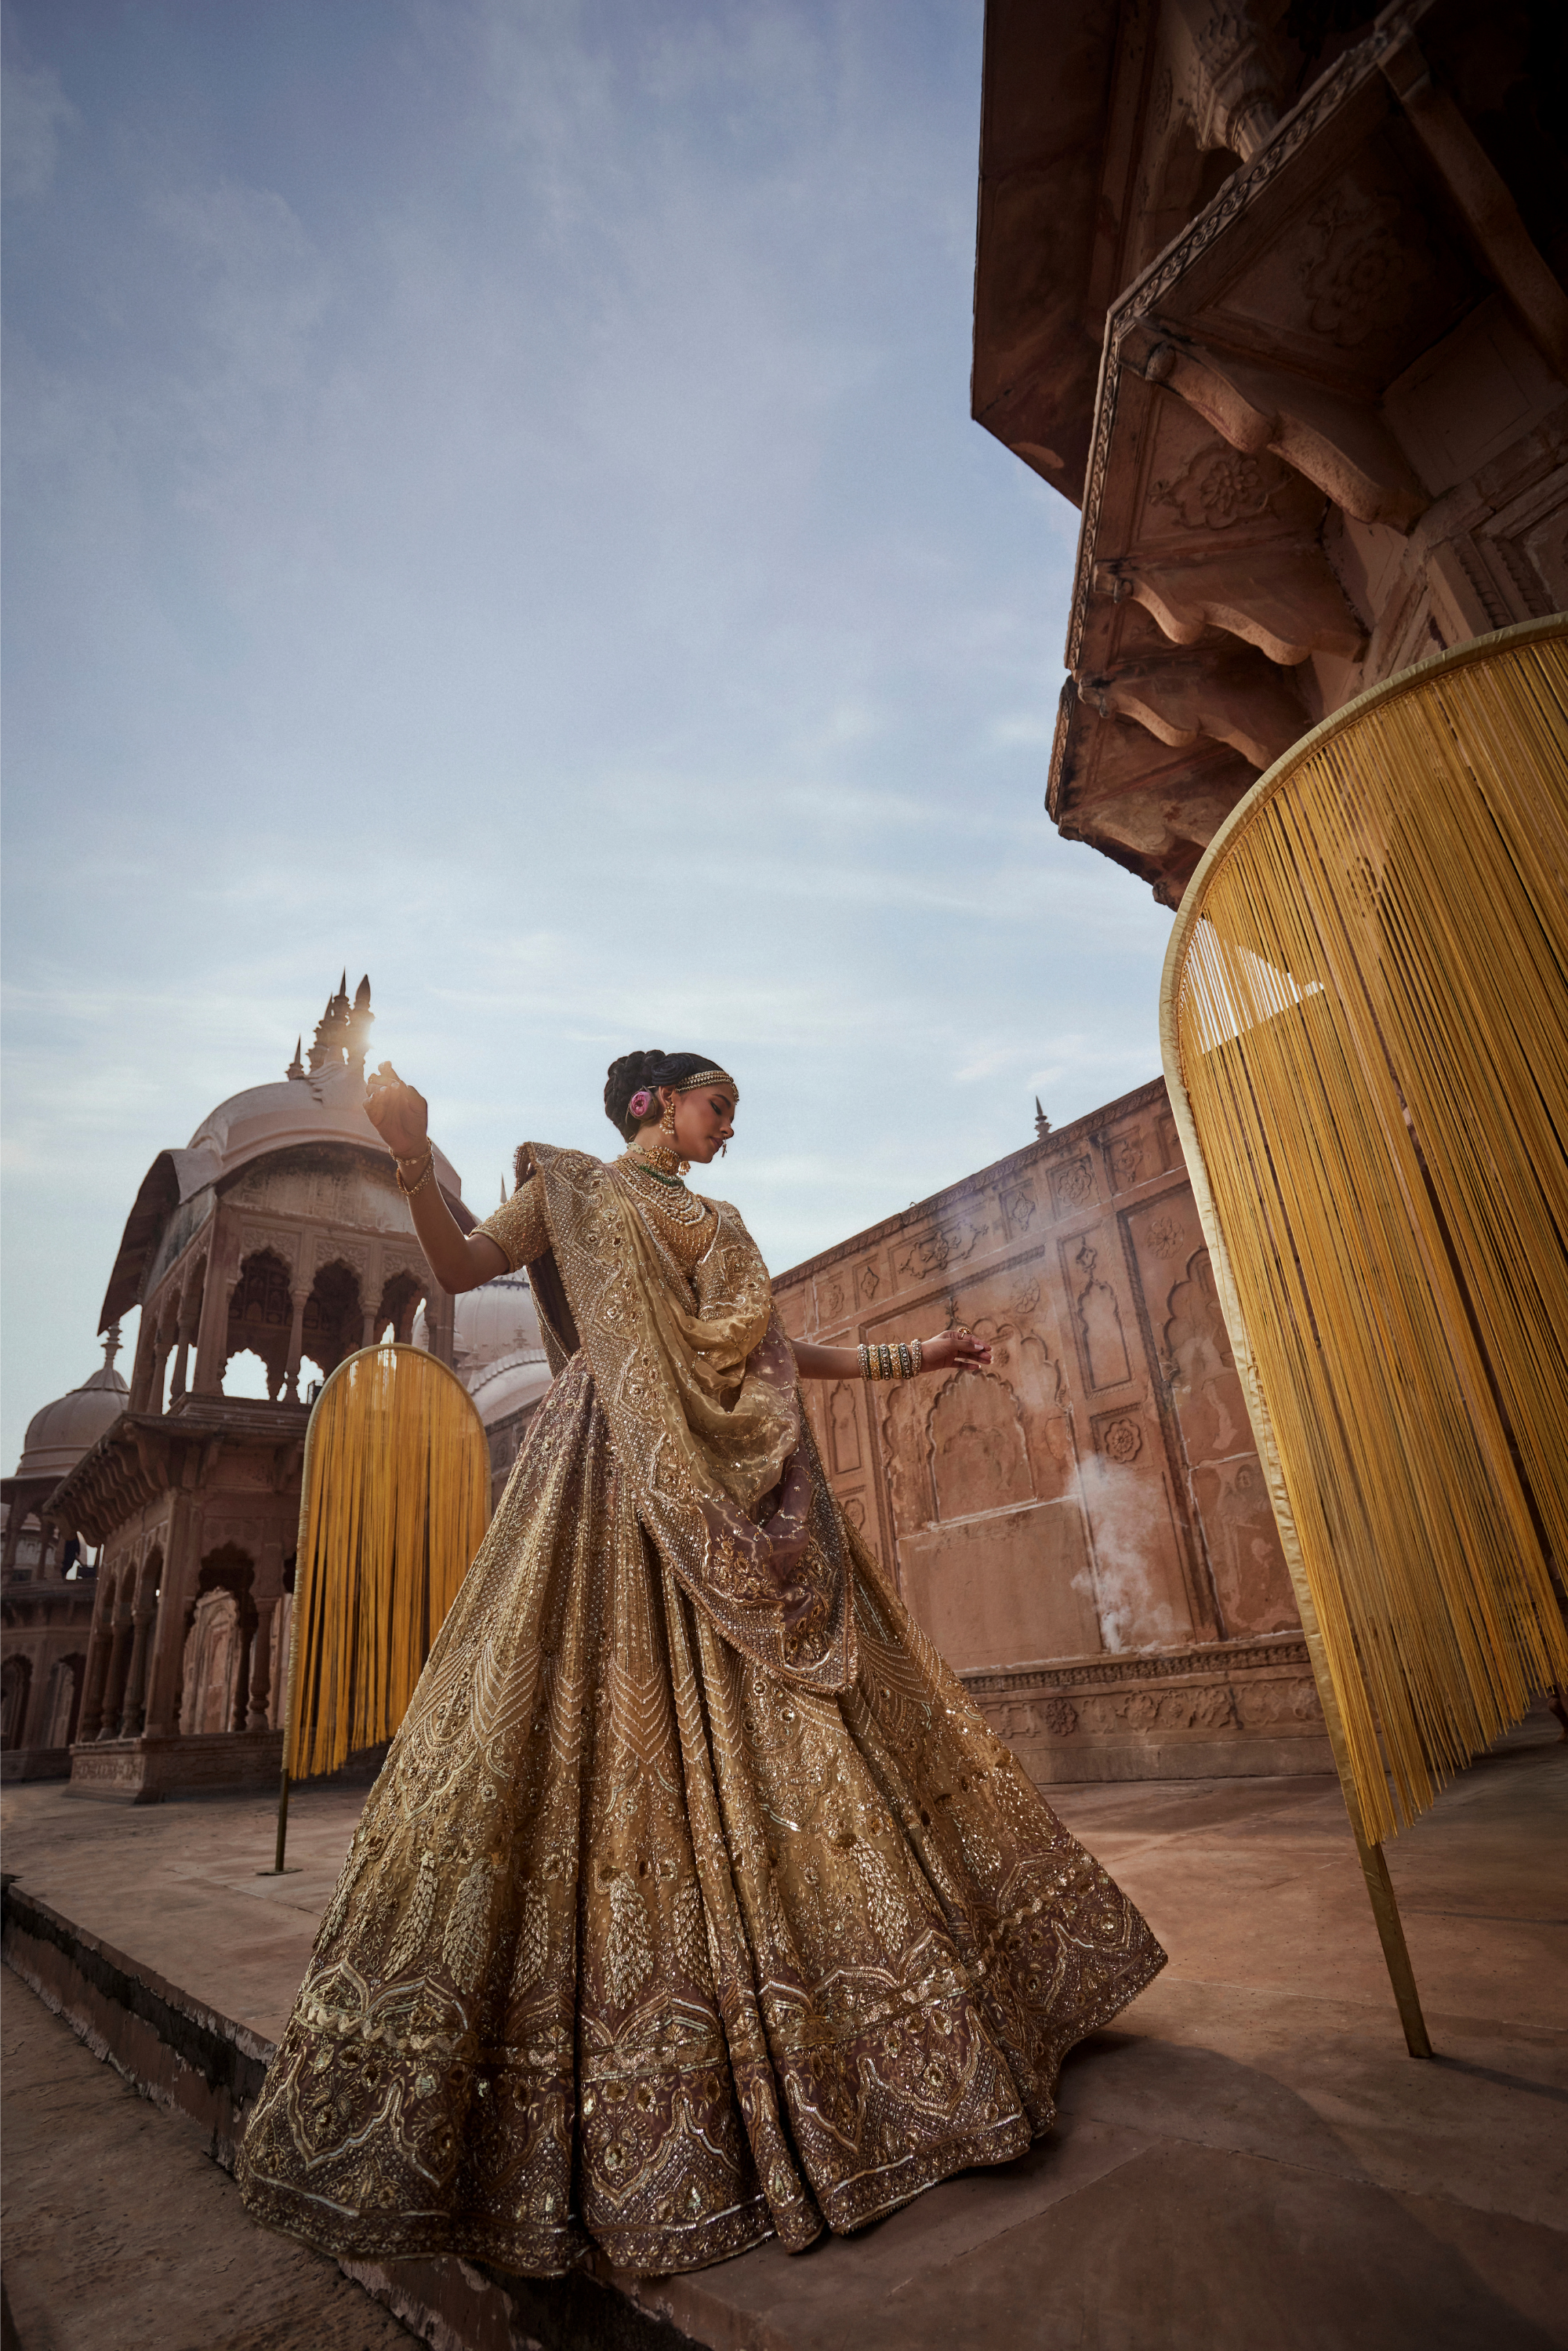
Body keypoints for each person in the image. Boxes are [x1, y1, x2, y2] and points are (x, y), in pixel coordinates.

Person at [237, 1050, 1164, 2277]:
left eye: (731, 1111)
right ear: (653, 1103)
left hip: (740, 1499)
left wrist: (917, 1359)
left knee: (815, 1731)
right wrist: (413, 1157)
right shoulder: (571, 1191)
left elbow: (770, 1359)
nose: (731, 1126)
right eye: (718, 1103)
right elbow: (459, 1263)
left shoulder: (719, 1224)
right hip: (602, 1477)